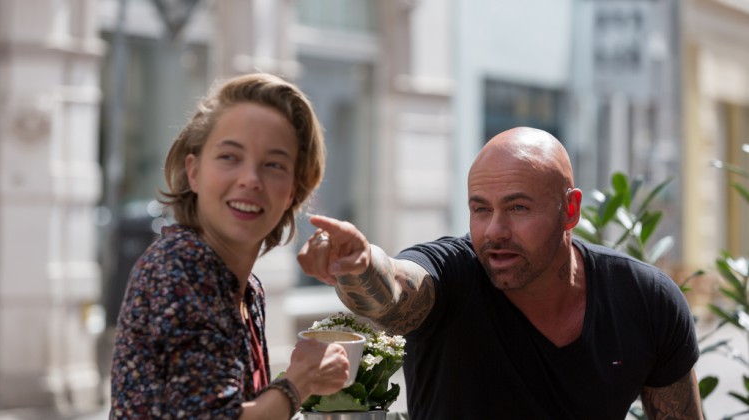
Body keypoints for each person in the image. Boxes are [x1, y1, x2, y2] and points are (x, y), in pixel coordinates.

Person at [297, 127, 702, 419]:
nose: (495, 231)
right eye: (481, 209)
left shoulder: (644, 300)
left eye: (518, 207)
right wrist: (360, 264)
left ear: (570, 210)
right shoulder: (453, 273)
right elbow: (396, 293)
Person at [110, 73, 351, 419]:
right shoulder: (181, 267)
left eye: (274, 165)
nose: (250, 179)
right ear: (193, 171)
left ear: (293, 192)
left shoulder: (247, 288)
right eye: (229, 157)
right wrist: (300, 383)